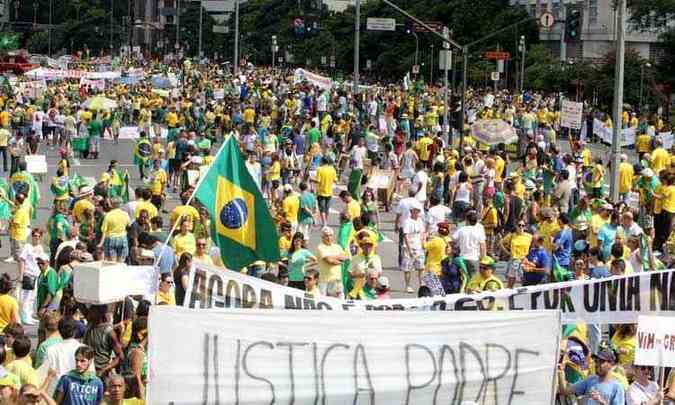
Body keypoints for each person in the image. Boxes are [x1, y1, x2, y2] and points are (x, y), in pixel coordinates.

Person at [557, 348, 625, 405]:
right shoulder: (590, 380)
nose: (597, 364)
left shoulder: (617, 387)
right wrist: (561, 371)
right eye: (596, 361)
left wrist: (602, 402)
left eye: (601, 361)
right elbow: (564, 391)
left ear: (611, 364)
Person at [82, 305, 123, 378]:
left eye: (92, 311)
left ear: (100, 314)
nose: (89, 313)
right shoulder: (90, 325)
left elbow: (120, 356)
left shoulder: (109, 332)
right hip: (86, 372)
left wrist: (104, 370)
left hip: (101, 374)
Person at [315, 227, 347, 298]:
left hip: (337, 280)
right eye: (326, 235)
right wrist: (337, 259)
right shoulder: (320, 247)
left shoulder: (338, 247)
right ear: (322, 237)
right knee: (322, 301)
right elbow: (329, 261)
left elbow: (344, 258)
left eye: (330, 235)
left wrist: (331, 257)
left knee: (340, 301)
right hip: (324, 281)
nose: (328, 237)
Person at [402, 205, 426, 293]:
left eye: (418, 211)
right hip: (409, 248)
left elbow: (423, 233)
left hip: (419, 247)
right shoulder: (407, 221)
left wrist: (424, 243)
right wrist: (409, 249)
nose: (417, 213)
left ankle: (422, 285)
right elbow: (406, 235)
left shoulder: (420, 221)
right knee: (408, 268)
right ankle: (407, 285)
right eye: (415, 211)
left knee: (421, 267)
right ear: (411, 211)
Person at [98, 198, 131, 263]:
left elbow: (104, 231)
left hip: (111, 239)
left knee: (112, 263)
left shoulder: (108, 215)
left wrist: (101, 243)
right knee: (121, 262)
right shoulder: (125, 214)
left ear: (111, 205)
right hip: (123, 239)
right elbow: (129, 226)